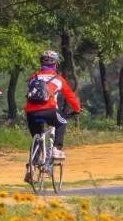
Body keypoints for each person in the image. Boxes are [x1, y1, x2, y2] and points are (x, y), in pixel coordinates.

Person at [24, 50, 81, 182]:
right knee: (62, 122)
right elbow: (70, 97)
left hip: (31, 112)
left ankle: (31, 168)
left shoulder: (33, 77)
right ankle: (56, 148)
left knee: (37, 139)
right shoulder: (59, 79)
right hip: (49, 110)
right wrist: (77, 109)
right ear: (55, 64)